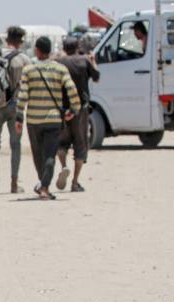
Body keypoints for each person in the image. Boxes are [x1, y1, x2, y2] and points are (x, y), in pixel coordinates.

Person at [15, 36, 80, 200]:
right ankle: (44, 186)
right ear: (49, 51)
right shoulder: (60, 69)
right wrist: (74, 109)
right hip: (53, 119)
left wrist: (19, 118)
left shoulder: (28, 70)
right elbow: (72, 89)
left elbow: (22, 95)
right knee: (50, 154)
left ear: (37, 50)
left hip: (33, 121)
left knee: (38, 156)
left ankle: (43, 185)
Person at [0, 25, 31, 195]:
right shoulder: (23, 59)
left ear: (6, 39)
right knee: (15, 144)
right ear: (21, 41)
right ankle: (14, 183)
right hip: (15, 106)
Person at [55, 37, 100, 192]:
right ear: (78, 47)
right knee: (80, 145)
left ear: (64, 48)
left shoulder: (59, 62)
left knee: (62, 143)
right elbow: (97, 78)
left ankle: (64, 166)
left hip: (63, 109)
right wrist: (93, 61)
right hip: (81, 109)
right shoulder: (84, 60)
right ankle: (75, 182)